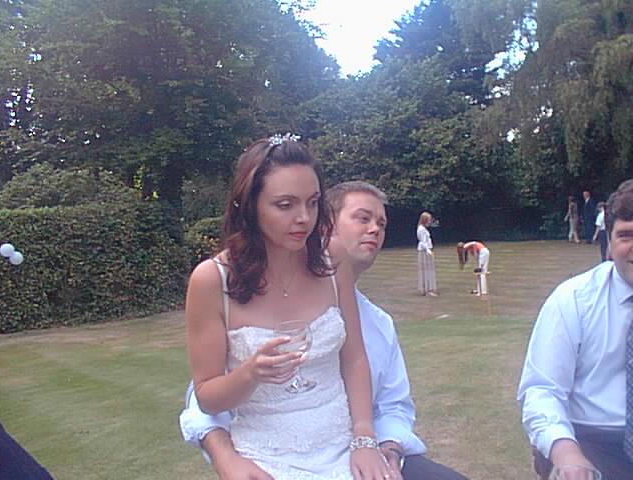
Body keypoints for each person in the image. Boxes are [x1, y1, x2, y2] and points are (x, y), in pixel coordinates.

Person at [180, 181, 470, 480]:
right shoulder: (255, 301)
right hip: (275, 456)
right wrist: (224, 455)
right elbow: (202, 401)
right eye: (363, 218)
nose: (375, 229)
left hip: (365, 453)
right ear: (327, 224)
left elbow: (394, 405)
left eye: (381, 223)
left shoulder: (380, 324)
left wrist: (388, 449)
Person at [184, 135, 390, 480]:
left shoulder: (333, 257)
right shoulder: (211, 281)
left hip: (343, 447)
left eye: (313, 202)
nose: (304, 218)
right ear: (249, 205)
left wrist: (364, 438)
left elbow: (354, 357)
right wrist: (249, 374)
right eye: (285, 205)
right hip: (265, 459)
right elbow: (206, 396)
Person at [517, 178, 633, 479]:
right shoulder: (573, 300)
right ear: (609, 244)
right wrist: (566, 453)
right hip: (592, 438)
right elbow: (542, 389)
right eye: (626, 235)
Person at [416, 211, 438, 297]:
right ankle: (428, 290)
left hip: (426, 250)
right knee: (427, 270)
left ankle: (428, 289)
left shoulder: (422, 228)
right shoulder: (421, 229)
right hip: (425, 251)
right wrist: (428, 251)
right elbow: (423, 242)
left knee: (428, 270)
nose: (430, 222)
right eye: (429, 220)